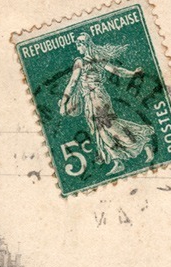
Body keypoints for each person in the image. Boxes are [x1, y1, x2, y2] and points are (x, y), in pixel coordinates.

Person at [58, 34, 157, 175]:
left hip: (97, 98)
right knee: (101, 130)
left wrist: (63, 104)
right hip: (92, 99)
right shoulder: (97, 58)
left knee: (109, 126)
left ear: (85, 45)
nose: (77, 47)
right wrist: (133, 73)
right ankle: (118, 161)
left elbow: (72, 84)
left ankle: (143, 143)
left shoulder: (80, 62)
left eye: (78, 44)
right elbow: (116, 70)